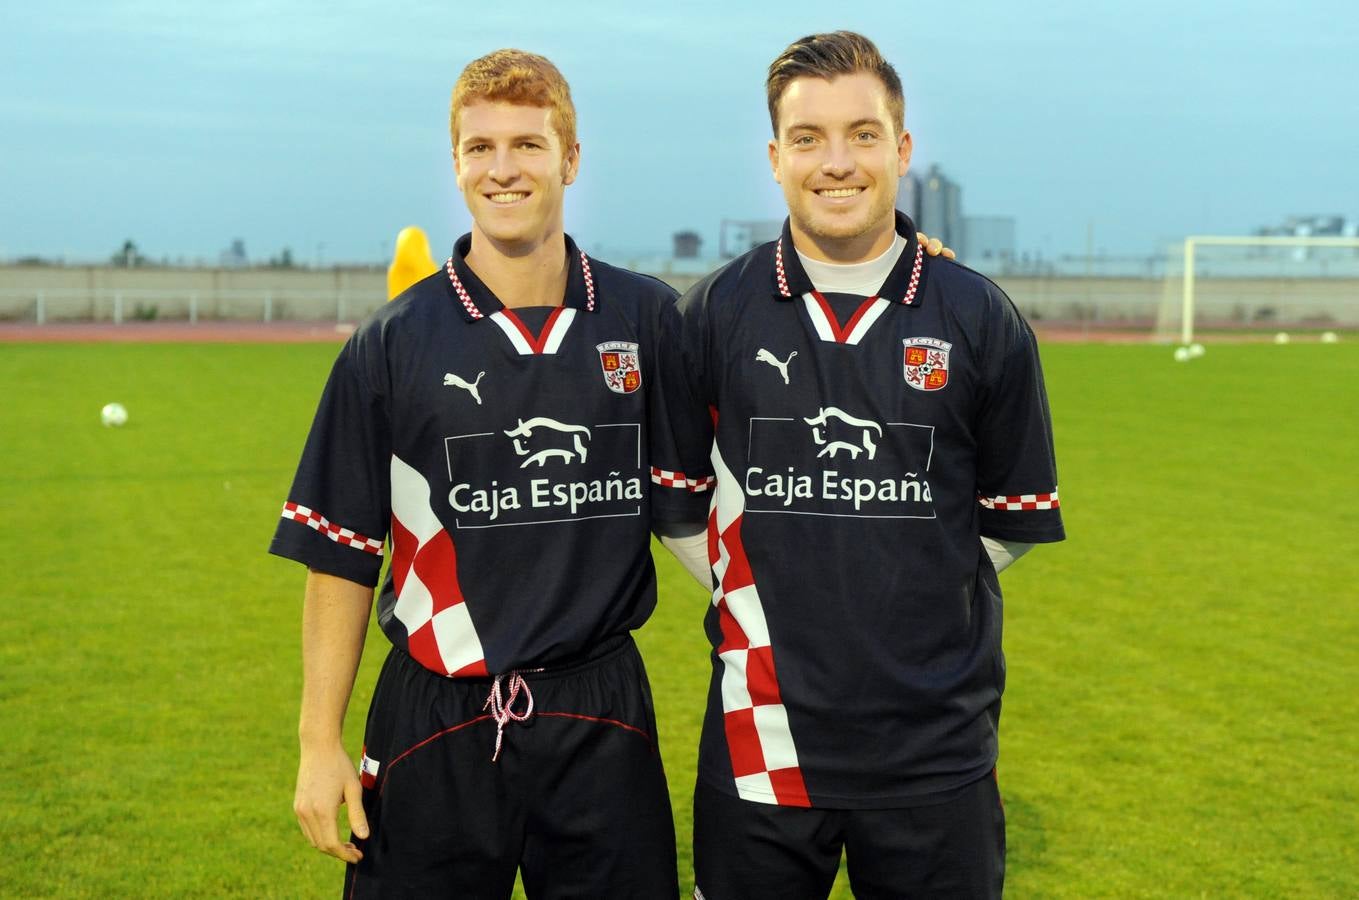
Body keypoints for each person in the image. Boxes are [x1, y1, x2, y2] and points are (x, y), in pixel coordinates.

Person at [270, 49, 715, 898]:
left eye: (527, 145)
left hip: (599, 707)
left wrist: (902, 277)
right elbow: (341, 552)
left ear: (570, 159)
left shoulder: (646, 317)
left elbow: (778, 388)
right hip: (434, 713)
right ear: (456, 163)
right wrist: (316, 743)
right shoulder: (392, 342)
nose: (502, 170)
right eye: (480, 148)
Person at [669, 31, 1065, 898]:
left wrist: (905, 590)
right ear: (774, 157)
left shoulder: (978, 317)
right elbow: (674, 502)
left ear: (902, 150)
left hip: (935, 751)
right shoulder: (712, 315)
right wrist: (761, 586)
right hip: (759, 737)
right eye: (807, 139)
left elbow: (1008, 521)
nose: (835, 162)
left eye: (862, 134)